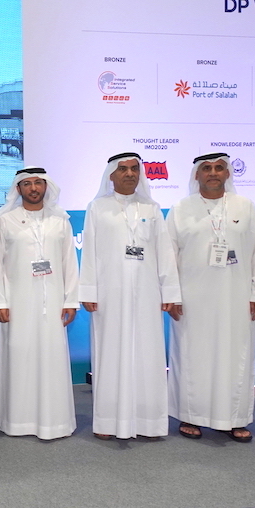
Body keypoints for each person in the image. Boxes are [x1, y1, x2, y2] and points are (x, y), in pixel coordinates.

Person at [166, 152, 255, 442]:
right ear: (197, 175)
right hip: (192, 299)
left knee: (235, 356)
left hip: (237, 297)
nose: (213, 173)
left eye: (219, 168)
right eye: (206, 168)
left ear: (228, 173)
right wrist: (171, 295)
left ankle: (235, 418)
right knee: (193, 356)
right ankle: (191, 415)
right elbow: (168, 256)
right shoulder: (180, 209)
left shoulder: (245, 206)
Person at [78, 153, 182, 440]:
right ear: (111, 175)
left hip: (147, 294)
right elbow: (90, 254)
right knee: (109, 353)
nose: (129, 174)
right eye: (122, 169)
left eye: (134, 169)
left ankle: (149, 422)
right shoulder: (97, 208)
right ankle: (108, 422)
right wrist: (88, 290)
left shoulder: (152, 208)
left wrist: (169, 291)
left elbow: (164, 253)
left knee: (148, 354)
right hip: (109, 295)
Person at [0, 166, 80, 440]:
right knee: (19, 357)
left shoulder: (60, 221)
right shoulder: (5, 221)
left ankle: (55, 422)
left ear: (46, 186)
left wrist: (70, 300)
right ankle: (19, 421)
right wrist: (0, 302)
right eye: (27, 184)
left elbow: (69, 263)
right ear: (18, 189)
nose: (33, 188)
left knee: (52, 357)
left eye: (38, 183)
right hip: (17, 303)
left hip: (53, 302)